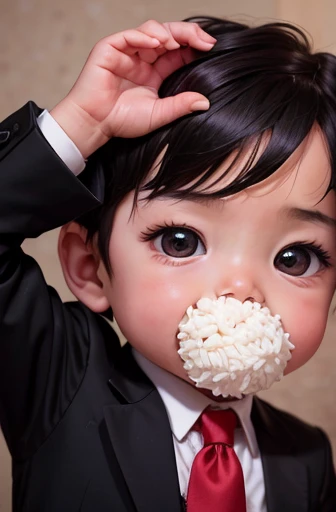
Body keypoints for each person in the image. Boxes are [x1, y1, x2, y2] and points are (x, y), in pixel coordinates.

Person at [0, 15, 336, 512]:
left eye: (295, 257)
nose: (240, 286)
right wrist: (81, 126)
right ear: (91, 268)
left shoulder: (306, 454)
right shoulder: (61, 382)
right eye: (181, 241)